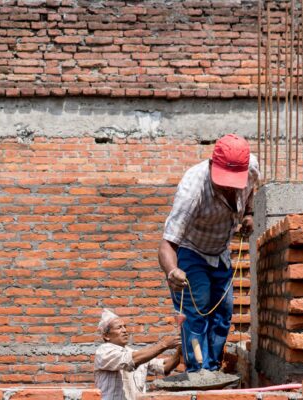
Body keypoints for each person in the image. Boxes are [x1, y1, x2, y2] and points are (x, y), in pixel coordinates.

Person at [158, 134, 260, 373]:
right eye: (224, 179)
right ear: (213, 165)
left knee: (223, 312)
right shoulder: (193, 189)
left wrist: (248, 214)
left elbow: (250, 192)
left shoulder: (252, 168)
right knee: (197, 309)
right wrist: (172, 271)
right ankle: (197, 372)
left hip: (221, 251)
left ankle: (211, 369)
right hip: (192, 251)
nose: (228, 185)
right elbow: (167, 244)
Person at [94, 309, 182, 400]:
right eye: (119, 327)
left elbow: (165, 367)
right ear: (106, 336)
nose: (124, 330)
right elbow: (130, 359)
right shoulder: (103, 351)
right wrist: (164, 344)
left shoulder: (134, 353)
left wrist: (180, 350)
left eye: (125, 326)